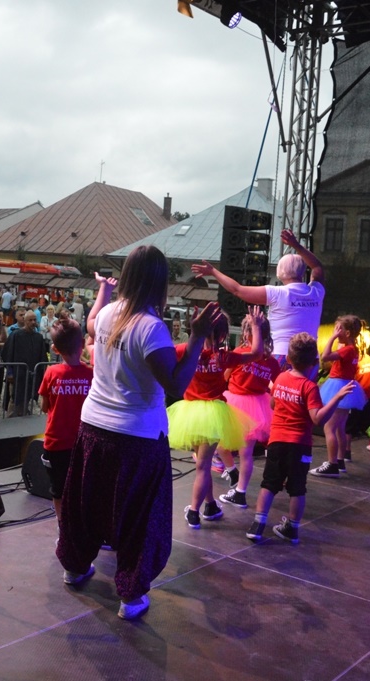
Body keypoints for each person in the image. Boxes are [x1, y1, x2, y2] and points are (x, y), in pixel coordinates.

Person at [56, 246, 223, 622]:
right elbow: (176, 385)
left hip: (93, 427)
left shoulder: (107, 315)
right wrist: (197, 337)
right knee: (139, 517)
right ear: (159, 282)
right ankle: (131, 597)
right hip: (137, 439)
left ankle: (74, 568)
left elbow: (91, 323)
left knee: (87, 503)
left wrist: (103, 290)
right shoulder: (151, 328)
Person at [245, 333, 355, 544]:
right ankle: (292, 528)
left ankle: (257, 525)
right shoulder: (309, 387)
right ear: (314, 362)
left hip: (276, 442)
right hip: (299, 445)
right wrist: (337, 398)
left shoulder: (280, 378)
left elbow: (273, 405)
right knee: (297, 488)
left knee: (269, 484)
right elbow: (317, 419)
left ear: (288, 358)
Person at [168, 308, 263, 529]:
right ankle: (197, 511)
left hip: (189, 414)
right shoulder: (223, 357)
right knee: (203, 465)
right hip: (213, 415)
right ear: (223, 334)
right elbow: (257, 353)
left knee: (202, 463)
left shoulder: (184, 350)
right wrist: (256, 326)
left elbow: (160, 353)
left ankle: (204, 506)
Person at [193, 229, 324, 367]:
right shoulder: (316, 292)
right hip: (311, 358)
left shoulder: (277, 293)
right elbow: (317, 266)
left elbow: (237, 289)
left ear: (280, 271)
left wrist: (213, 271)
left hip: (283, 355)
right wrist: (296, 245)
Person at [219, 314, 281, 508]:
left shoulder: (240, 353)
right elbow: (276, 385)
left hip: (235, 404)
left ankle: (233, 473)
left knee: (219, 443)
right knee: (245, 453)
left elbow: (224, 377)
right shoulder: (271, 361)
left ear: (246, 333)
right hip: (257, 408)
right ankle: (239, 490)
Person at [39, 315, 95, 522]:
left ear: (55, 349)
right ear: (82, 343)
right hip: (85, 442)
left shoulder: (51, 372)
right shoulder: (92, 374)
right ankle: (82, 526)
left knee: (59, 489)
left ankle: (63, 528)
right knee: (83, 487)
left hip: (57, 442)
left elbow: (44, 406)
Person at [311, 315, 369, 478]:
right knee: (339, 428)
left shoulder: (347, 349)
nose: (336, 331)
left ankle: (332, 464)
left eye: (339, 329)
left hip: (338, 387)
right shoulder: (352, 348)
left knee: (329, 427)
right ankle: (340, 460)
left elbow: (325, 357)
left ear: (347, 333)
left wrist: (332, 337)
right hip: (345, 385)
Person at [1, 310, 45, 417]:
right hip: (17, 375)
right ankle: (11, 421)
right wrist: (10, 372)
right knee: (15, 399)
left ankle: (23, 419)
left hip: (31, 375)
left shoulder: (39, 337)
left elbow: (42, 358)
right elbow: (8, 354)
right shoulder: (16, 335)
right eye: (30, 320)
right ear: (25, 321)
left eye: (34, 320)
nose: (33, 322)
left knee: (28, 399)